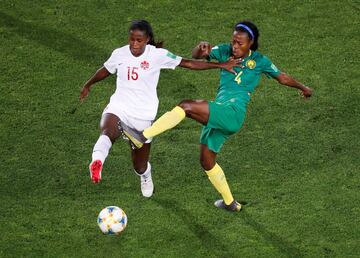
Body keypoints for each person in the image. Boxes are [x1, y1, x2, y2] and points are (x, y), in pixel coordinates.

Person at [121, 20, 313, 210]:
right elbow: (199, 55)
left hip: (232, 113)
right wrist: (200, 48)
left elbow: (282, 77)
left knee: (186, 106)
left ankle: (143, 135)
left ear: (250, 43)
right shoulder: (225, 51)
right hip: (220, 113)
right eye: (233, 42)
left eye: (240, 43)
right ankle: (230, 203)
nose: (235, 46)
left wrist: (303, 88)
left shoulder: (260, 61)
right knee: (206, 160)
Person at [80, 20, 241, 198]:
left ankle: (145, 175)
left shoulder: (157, 55)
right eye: (131, 39)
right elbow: (106, 69)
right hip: (119, 106)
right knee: (107, 132)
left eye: (139, 40)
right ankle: (97, 162)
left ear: (147, 39)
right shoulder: (119, 54)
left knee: (139, 166)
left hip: (142, 116)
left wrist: (220, 65)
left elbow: (187, 63)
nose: (134, 44)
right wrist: (88, 84)